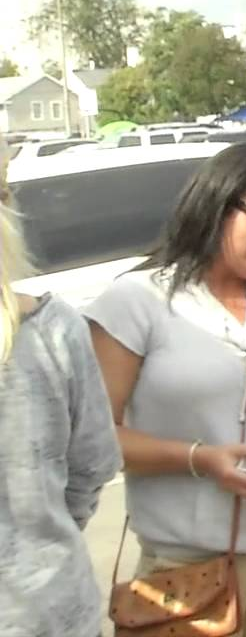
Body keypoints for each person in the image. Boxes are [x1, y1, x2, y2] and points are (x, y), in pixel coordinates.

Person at [85, 144, 246, 637]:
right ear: (217, 205)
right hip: (184, 568)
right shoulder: (138, 300)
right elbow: (95, 439)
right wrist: (200, 458)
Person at [0, 140, 123, 637]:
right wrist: (47, 536)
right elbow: (92, 464)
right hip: (50, 607)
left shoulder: (53, 327)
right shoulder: (53, 328)